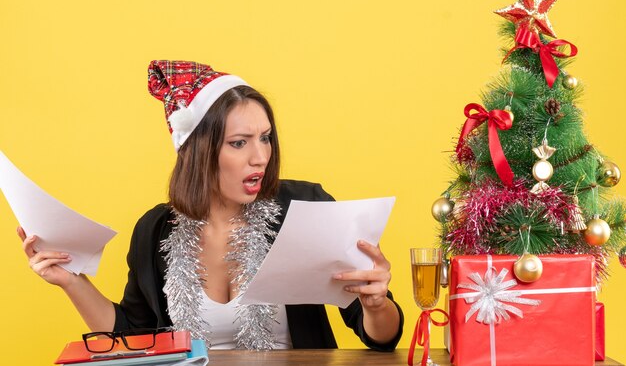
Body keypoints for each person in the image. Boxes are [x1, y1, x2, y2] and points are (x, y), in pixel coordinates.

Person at [18, 60, 403, 350]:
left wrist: (375, 303)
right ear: (199, 152)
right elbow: (131, 336)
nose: (260, 157)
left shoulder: (303, 207)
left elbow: (381, 337)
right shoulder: (155, 230)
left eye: (265, 138)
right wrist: (70, 281)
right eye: (239, 142)